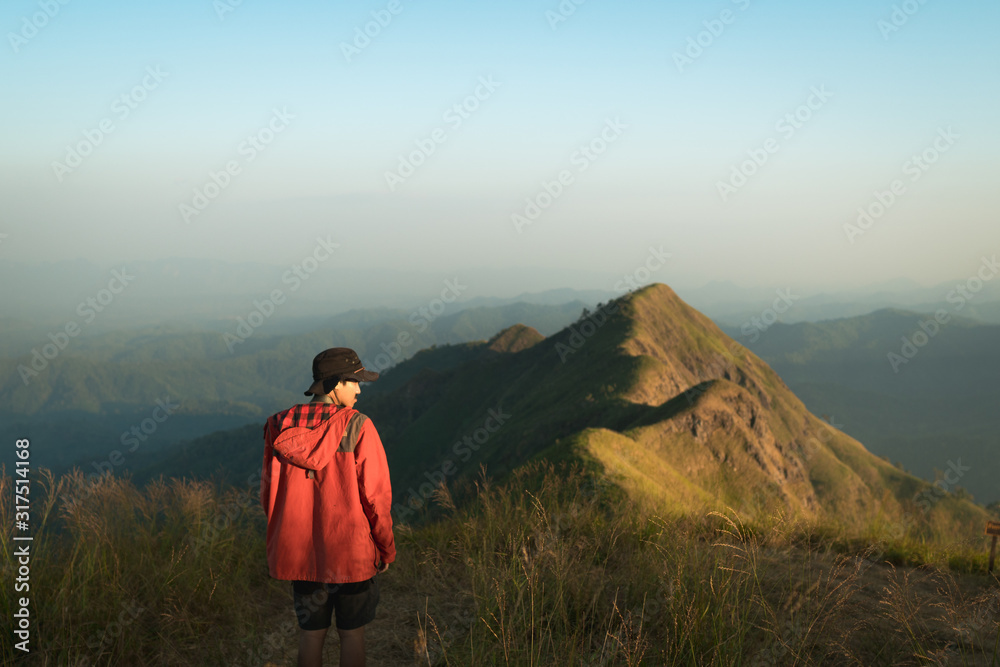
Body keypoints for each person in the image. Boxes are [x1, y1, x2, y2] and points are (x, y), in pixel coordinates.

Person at [260, 347, 395, 667]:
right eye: (354, 382)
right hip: (351, 554)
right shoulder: (359, 426)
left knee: (310, 635)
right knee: (352, 635)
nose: (359, 389)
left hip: (302, 554)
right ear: (336, 384)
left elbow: (269, 494)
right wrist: (385, 549)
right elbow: (376, 498)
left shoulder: (278, 425)